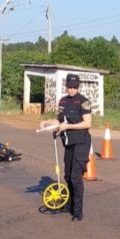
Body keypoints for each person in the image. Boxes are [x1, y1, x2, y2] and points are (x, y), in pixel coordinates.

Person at [39, 73, 92, 221]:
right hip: (68, 143)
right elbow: (59, 120)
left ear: (78, 86)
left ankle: (78, 211)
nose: (72, 89)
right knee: (67, 175)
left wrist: (67, 126)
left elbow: (87, 123)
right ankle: (68, 204)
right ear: (66, 85)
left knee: (76, 176)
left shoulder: (84, 102)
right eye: (69, 86)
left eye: (75, 87)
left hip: (81, 142)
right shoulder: (62, 101)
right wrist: (47, 122)